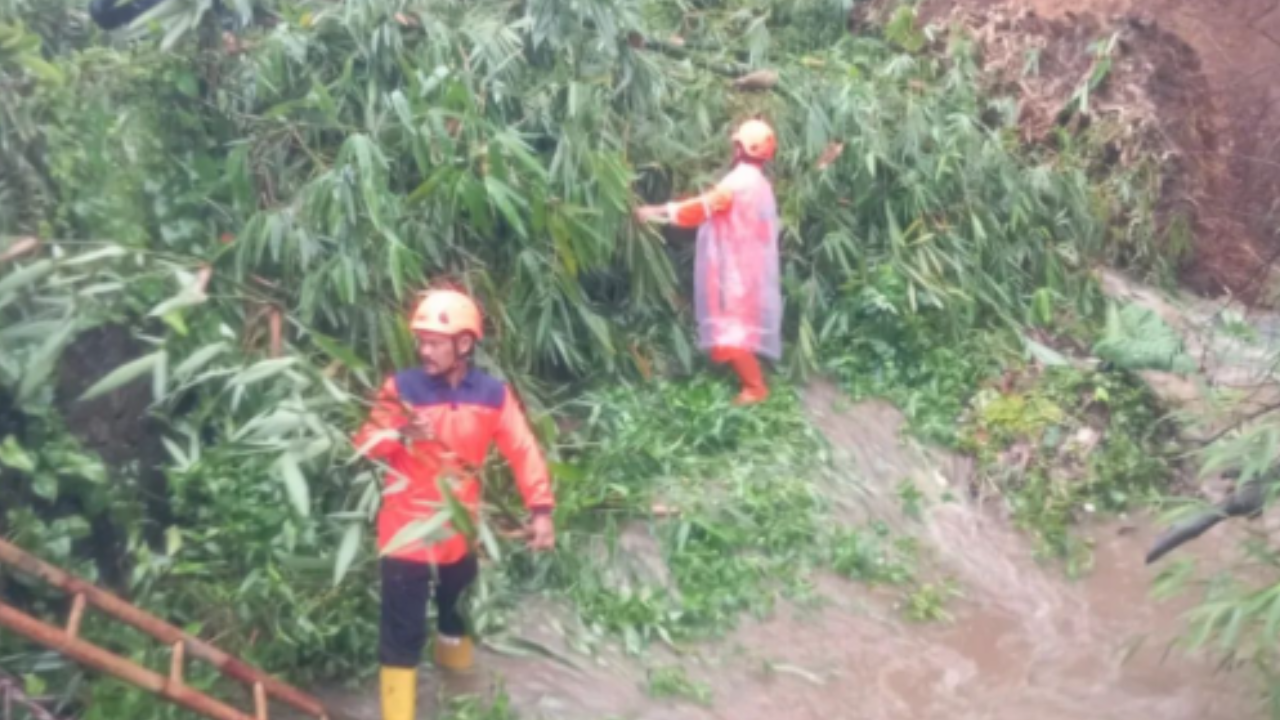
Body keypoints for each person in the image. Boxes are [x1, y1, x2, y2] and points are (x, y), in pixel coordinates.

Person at [353, 288, 555, 720]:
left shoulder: (493, 394)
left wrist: (541, 511)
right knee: (401, 636)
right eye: (421, 340)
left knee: (456, 619)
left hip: (459, 535)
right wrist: (401, 433)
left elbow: (523, 450)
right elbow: (365, 447)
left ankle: (461, 694)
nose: (424, 350)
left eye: (434, 342)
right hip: (405, 535)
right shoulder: (400, 389)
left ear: (464, 345)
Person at [634, 119, 782, 405]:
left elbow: (697, 210)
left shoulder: (738, 183)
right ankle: (747, 373)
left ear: (741, 149)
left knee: (732, 326)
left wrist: (654, 212)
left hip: (735, 266)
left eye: (736, 144)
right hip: (750, 264)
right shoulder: (760, 184)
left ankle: (755, 387)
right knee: (738, 322)